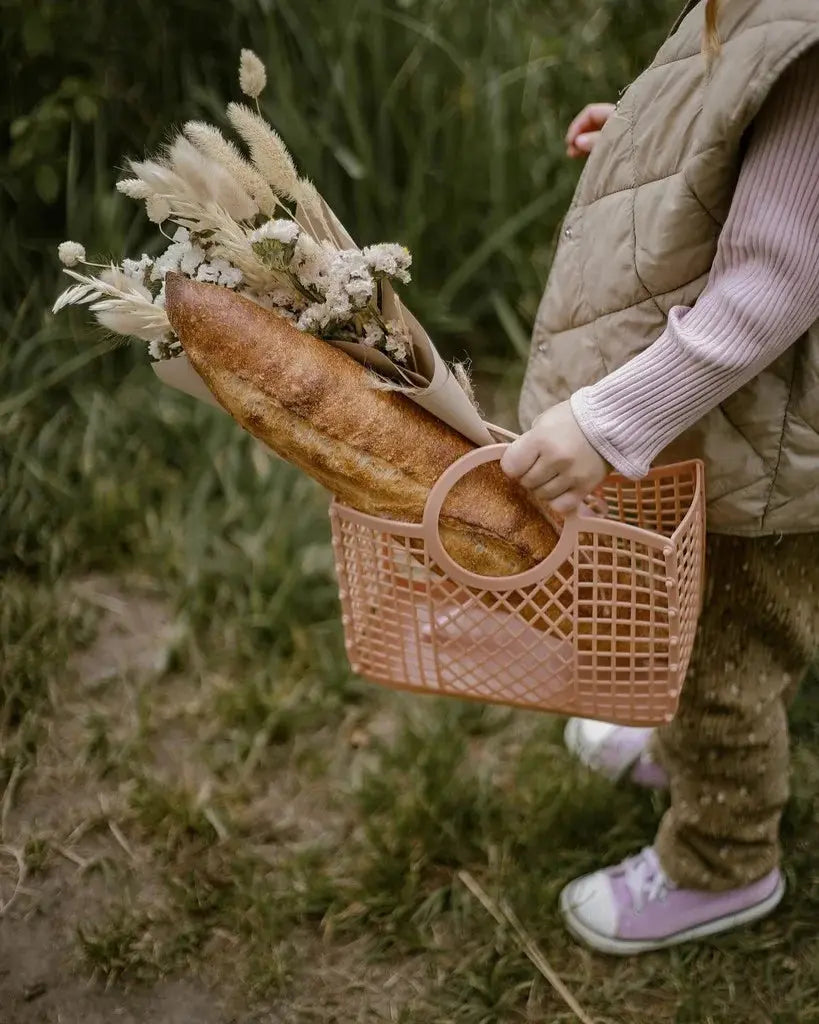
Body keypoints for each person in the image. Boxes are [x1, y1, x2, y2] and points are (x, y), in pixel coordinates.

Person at [501, 0, 819, 955]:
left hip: (763, 440)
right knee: (687, 612)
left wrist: (608, 422)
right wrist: (651, 153)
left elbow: (774, 280)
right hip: (737, 424)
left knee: (728, 654)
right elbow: (750, 151)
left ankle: (722, 861)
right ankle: (680, 741)